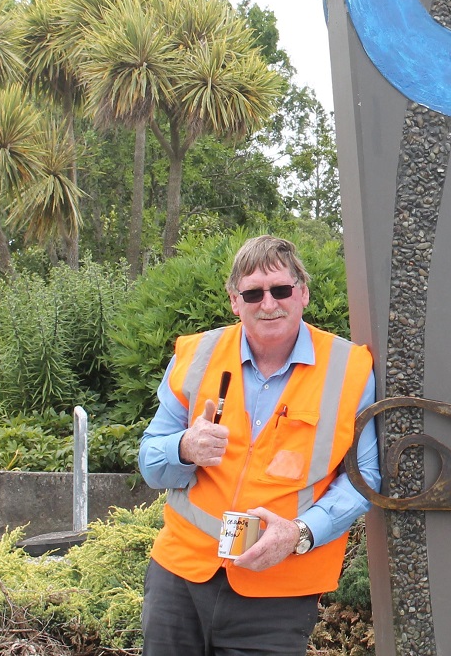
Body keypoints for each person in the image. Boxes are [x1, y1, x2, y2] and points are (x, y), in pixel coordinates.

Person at [137, 234, 379, 655]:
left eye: (281, 290)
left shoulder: (350, 368)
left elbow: (366, 477)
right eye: (253, 293)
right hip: (179, 577)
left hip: (280, 590)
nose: (268, 304)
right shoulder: (195, 354)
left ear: (302, 293)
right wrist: (184, 448)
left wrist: (301, 533)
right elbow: (149, 460)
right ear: (235, 301)